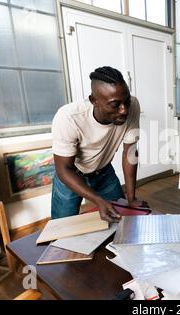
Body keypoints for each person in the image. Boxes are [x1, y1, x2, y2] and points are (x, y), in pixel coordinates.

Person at [51, 66, 145, 222]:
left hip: (104, 173)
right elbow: (64, 169)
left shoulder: (132, 106)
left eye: (126, 101)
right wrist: (98, 200)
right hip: (72, 175)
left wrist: (131, 198)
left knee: (122, 219)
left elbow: (130, 153)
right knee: (61, 230)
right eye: (115, 105)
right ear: (94, 101)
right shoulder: (68, 117)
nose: (124, 110)